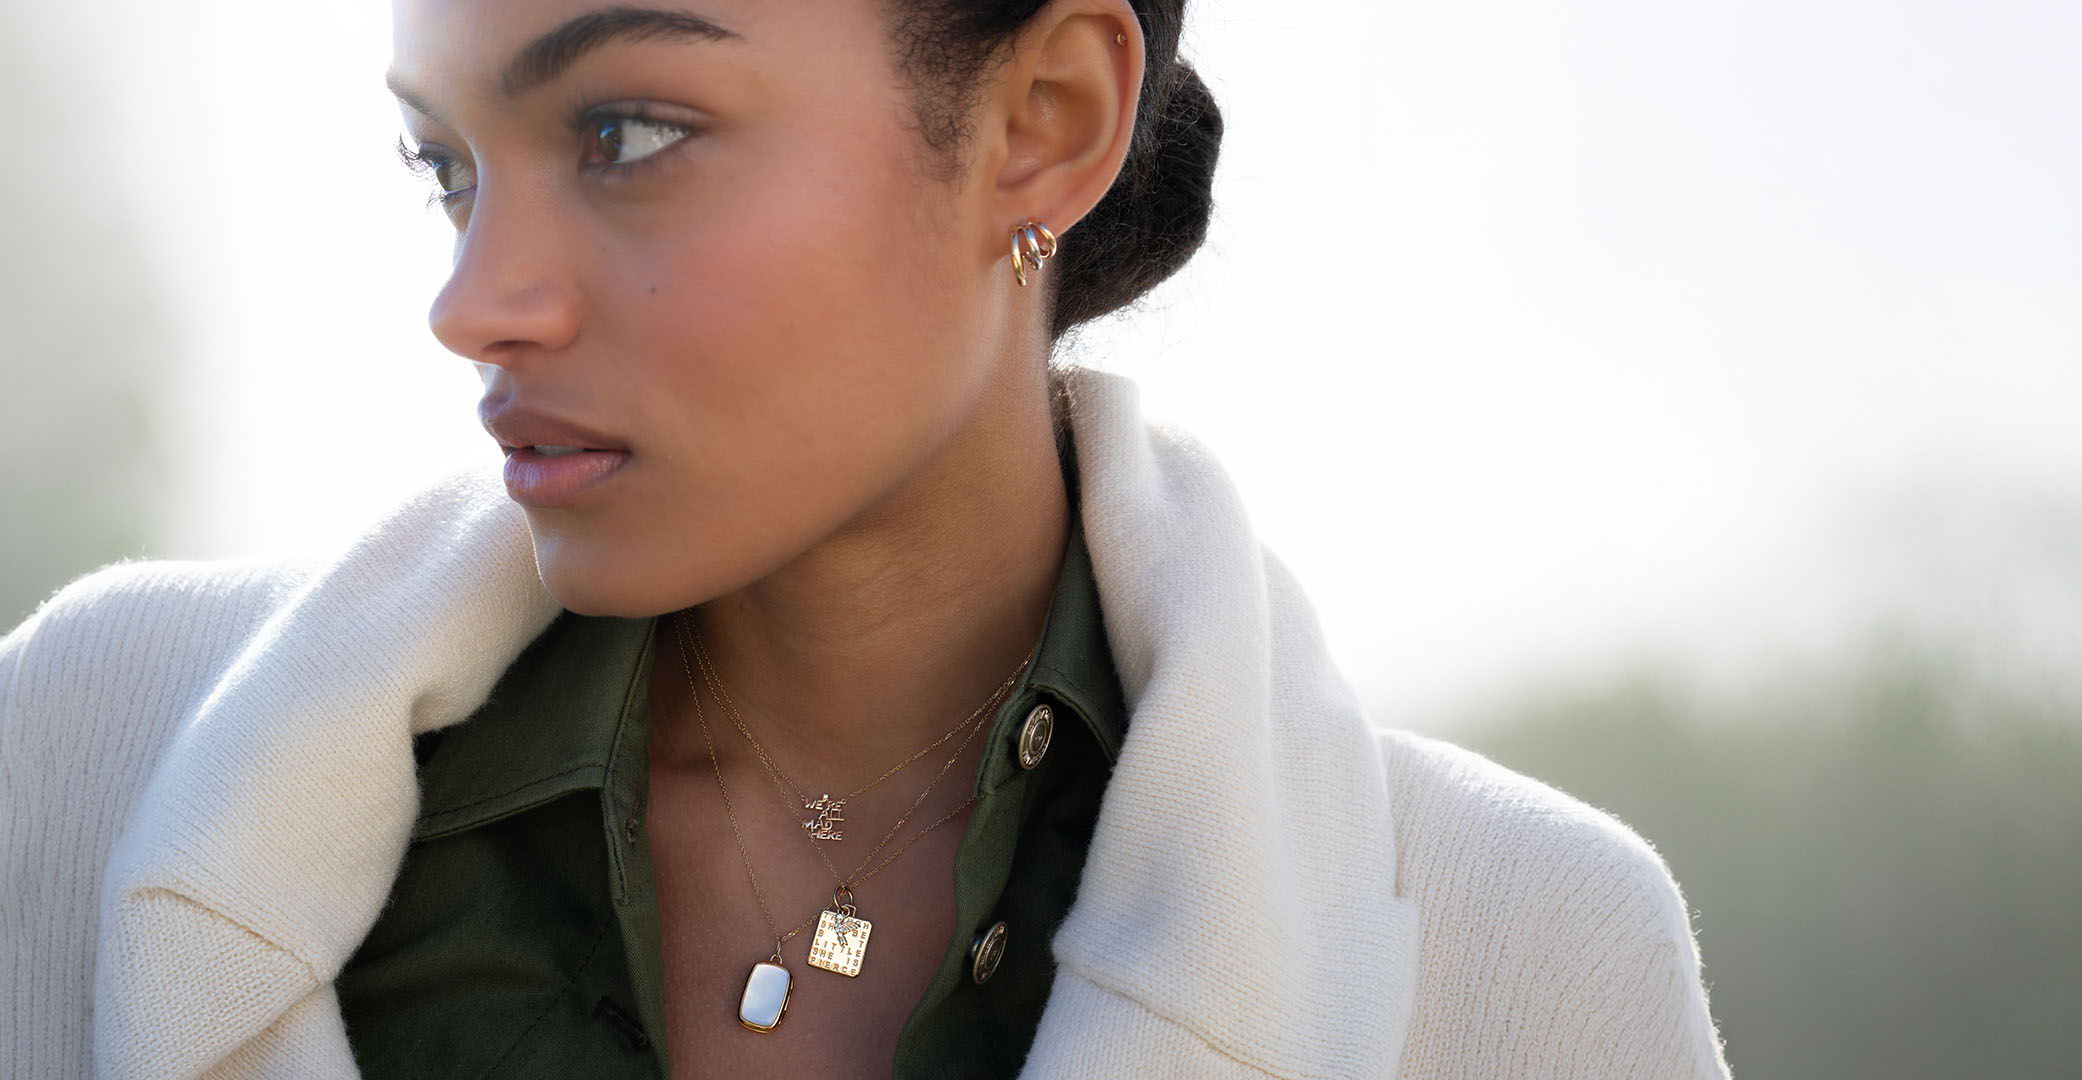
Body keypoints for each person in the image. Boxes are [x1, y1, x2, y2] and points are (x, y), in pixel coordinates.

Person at [0, 0, 1731, 1076]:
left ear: (1044, 118)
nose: (477, 303)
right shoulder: (92, 764)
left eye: (626, 131)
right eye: (445, 166)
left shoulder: (1523, 958)